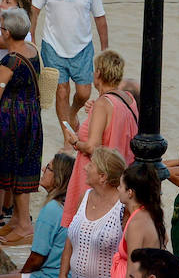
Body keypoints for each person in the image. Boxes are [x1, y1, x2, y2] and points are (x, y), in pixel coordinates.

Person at [0, 8, 44, 242]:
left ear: (7, 33)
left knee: (16, 172)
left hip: (12, 123)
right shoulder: (32, 50)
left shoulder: (10, 62)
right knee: (22, 169)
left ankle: (24, 224)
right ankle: (16, 219)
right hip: (30, 118)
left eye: (1, 28)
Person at [31, 0, 109, 132]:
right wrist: (31, 39)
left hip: (82, 48)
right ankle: (67, 134)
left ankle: (72, 113)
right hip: (52, 45)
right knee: (61, 91)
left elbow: (100, 18)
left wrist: (105, 50)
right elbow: (34, 10)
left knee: (83, 93)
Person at [60, 49, 137, 225]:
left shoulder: (104, 104)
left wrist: (75, 142)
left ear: (99, 73)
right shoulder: (128, 99)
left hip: (97, 176)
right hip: (118, 174)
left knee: (87, 227)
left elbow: (93, 147)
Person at [0, 154, 75, 274]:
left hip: (51, 274)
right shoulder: (68, 205)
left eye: (48, 168)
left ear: (58, 177)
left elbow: (36, 259)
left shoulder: (52, 209)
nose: (43, 169)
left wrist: (21, 275)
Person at [60, 148, 126, 278]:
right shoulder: (85, 197)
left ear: (103, 176)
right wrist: (62, 276)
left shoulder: (123, 206)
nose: (85, 168)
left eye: (91, 165)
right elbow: (69, 244)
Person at [112, 164, 167, 278]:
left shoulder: (137, 223)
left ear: (130, 192)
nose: (118, 189)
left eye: (121, 186)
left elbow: (134, 272)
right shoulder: (151, 213)